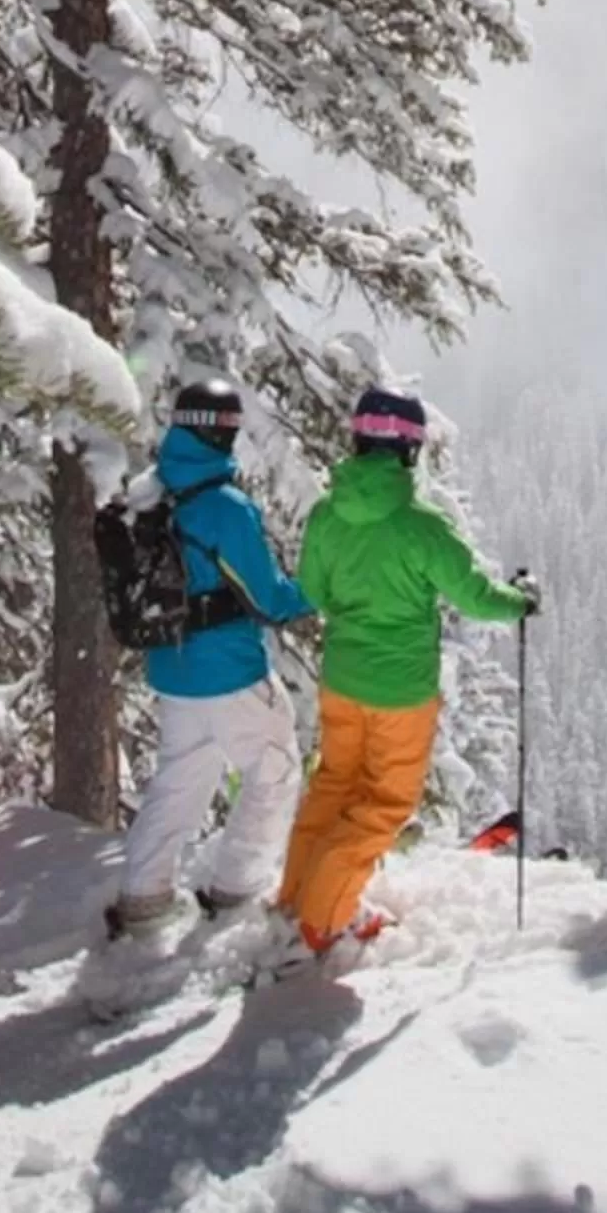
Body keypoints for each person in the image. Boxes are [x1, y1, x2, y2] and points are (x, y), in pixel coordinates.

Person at [276, 386, 539, 955]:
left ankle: (297, 896)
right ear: (408, 451)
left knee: (334, 786)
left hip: (342, 679)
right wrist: (519, 602)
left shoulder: (326, 514)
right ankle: (323, 919)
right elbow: (474, 597)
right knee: (384, 804)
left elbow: (312, 591)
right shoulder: (422, 525)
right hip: (401, 690)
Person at [105, 376, 313, 939]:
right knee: (273, 769)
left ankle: (144, 897)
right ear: (222, 432)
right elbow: (268, 599)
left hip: (172, 669)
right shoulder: (224, 506)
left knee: (181, 778)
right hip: (229, 668)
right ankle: (238, 890)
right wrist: (314, 591)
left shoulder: (150, 491)